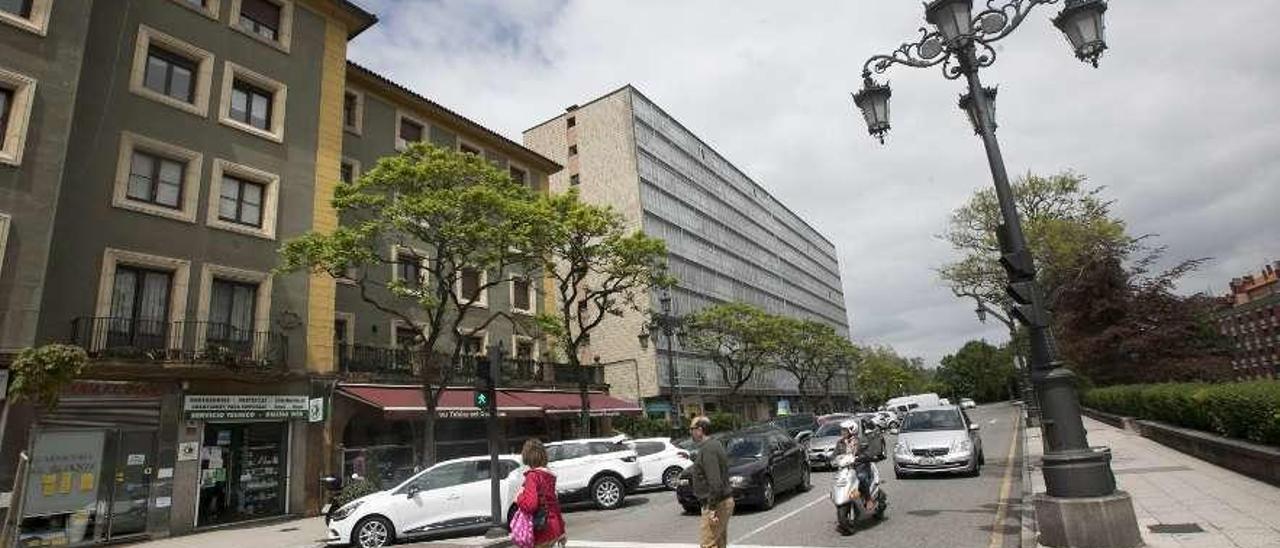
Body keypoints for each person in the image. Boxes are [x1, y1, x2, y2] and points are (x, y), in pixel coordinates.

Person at [689, 416, 733, 548]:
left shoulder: (708, 449)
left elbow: (715, 482)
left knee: (707, 544)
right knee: (719, 543)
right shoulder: (714, 445)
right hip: (721, 502)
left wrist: (712, 508)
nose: (690, 432)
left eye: (691, 429)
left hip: (717, 504)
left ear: (700, 430)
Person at [516, 439, 565, 548]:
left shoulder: (532, 476)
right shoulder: (549, 476)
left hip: (541, 529)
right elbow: (555, 505)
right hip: (554, 527)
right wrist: (562, 530)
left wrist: (519, 498)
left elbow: (530, 505)